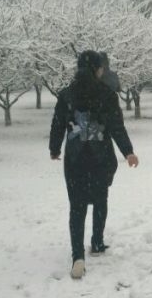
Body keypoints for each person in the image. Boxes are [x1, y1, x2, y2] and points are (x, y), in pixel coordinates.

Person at [49, 50, 139, 279]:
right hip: (100, 158)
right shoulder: (107, 94)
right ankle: (97, 242)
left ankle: (78, 256)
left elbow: (58, 122)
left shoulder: (67, 94)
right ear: (97, 69)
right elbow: (116, 126)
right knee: (100, 199)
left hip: (76, 158)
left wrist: (54, 148)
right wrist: (128, 152)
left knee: (76, 206)